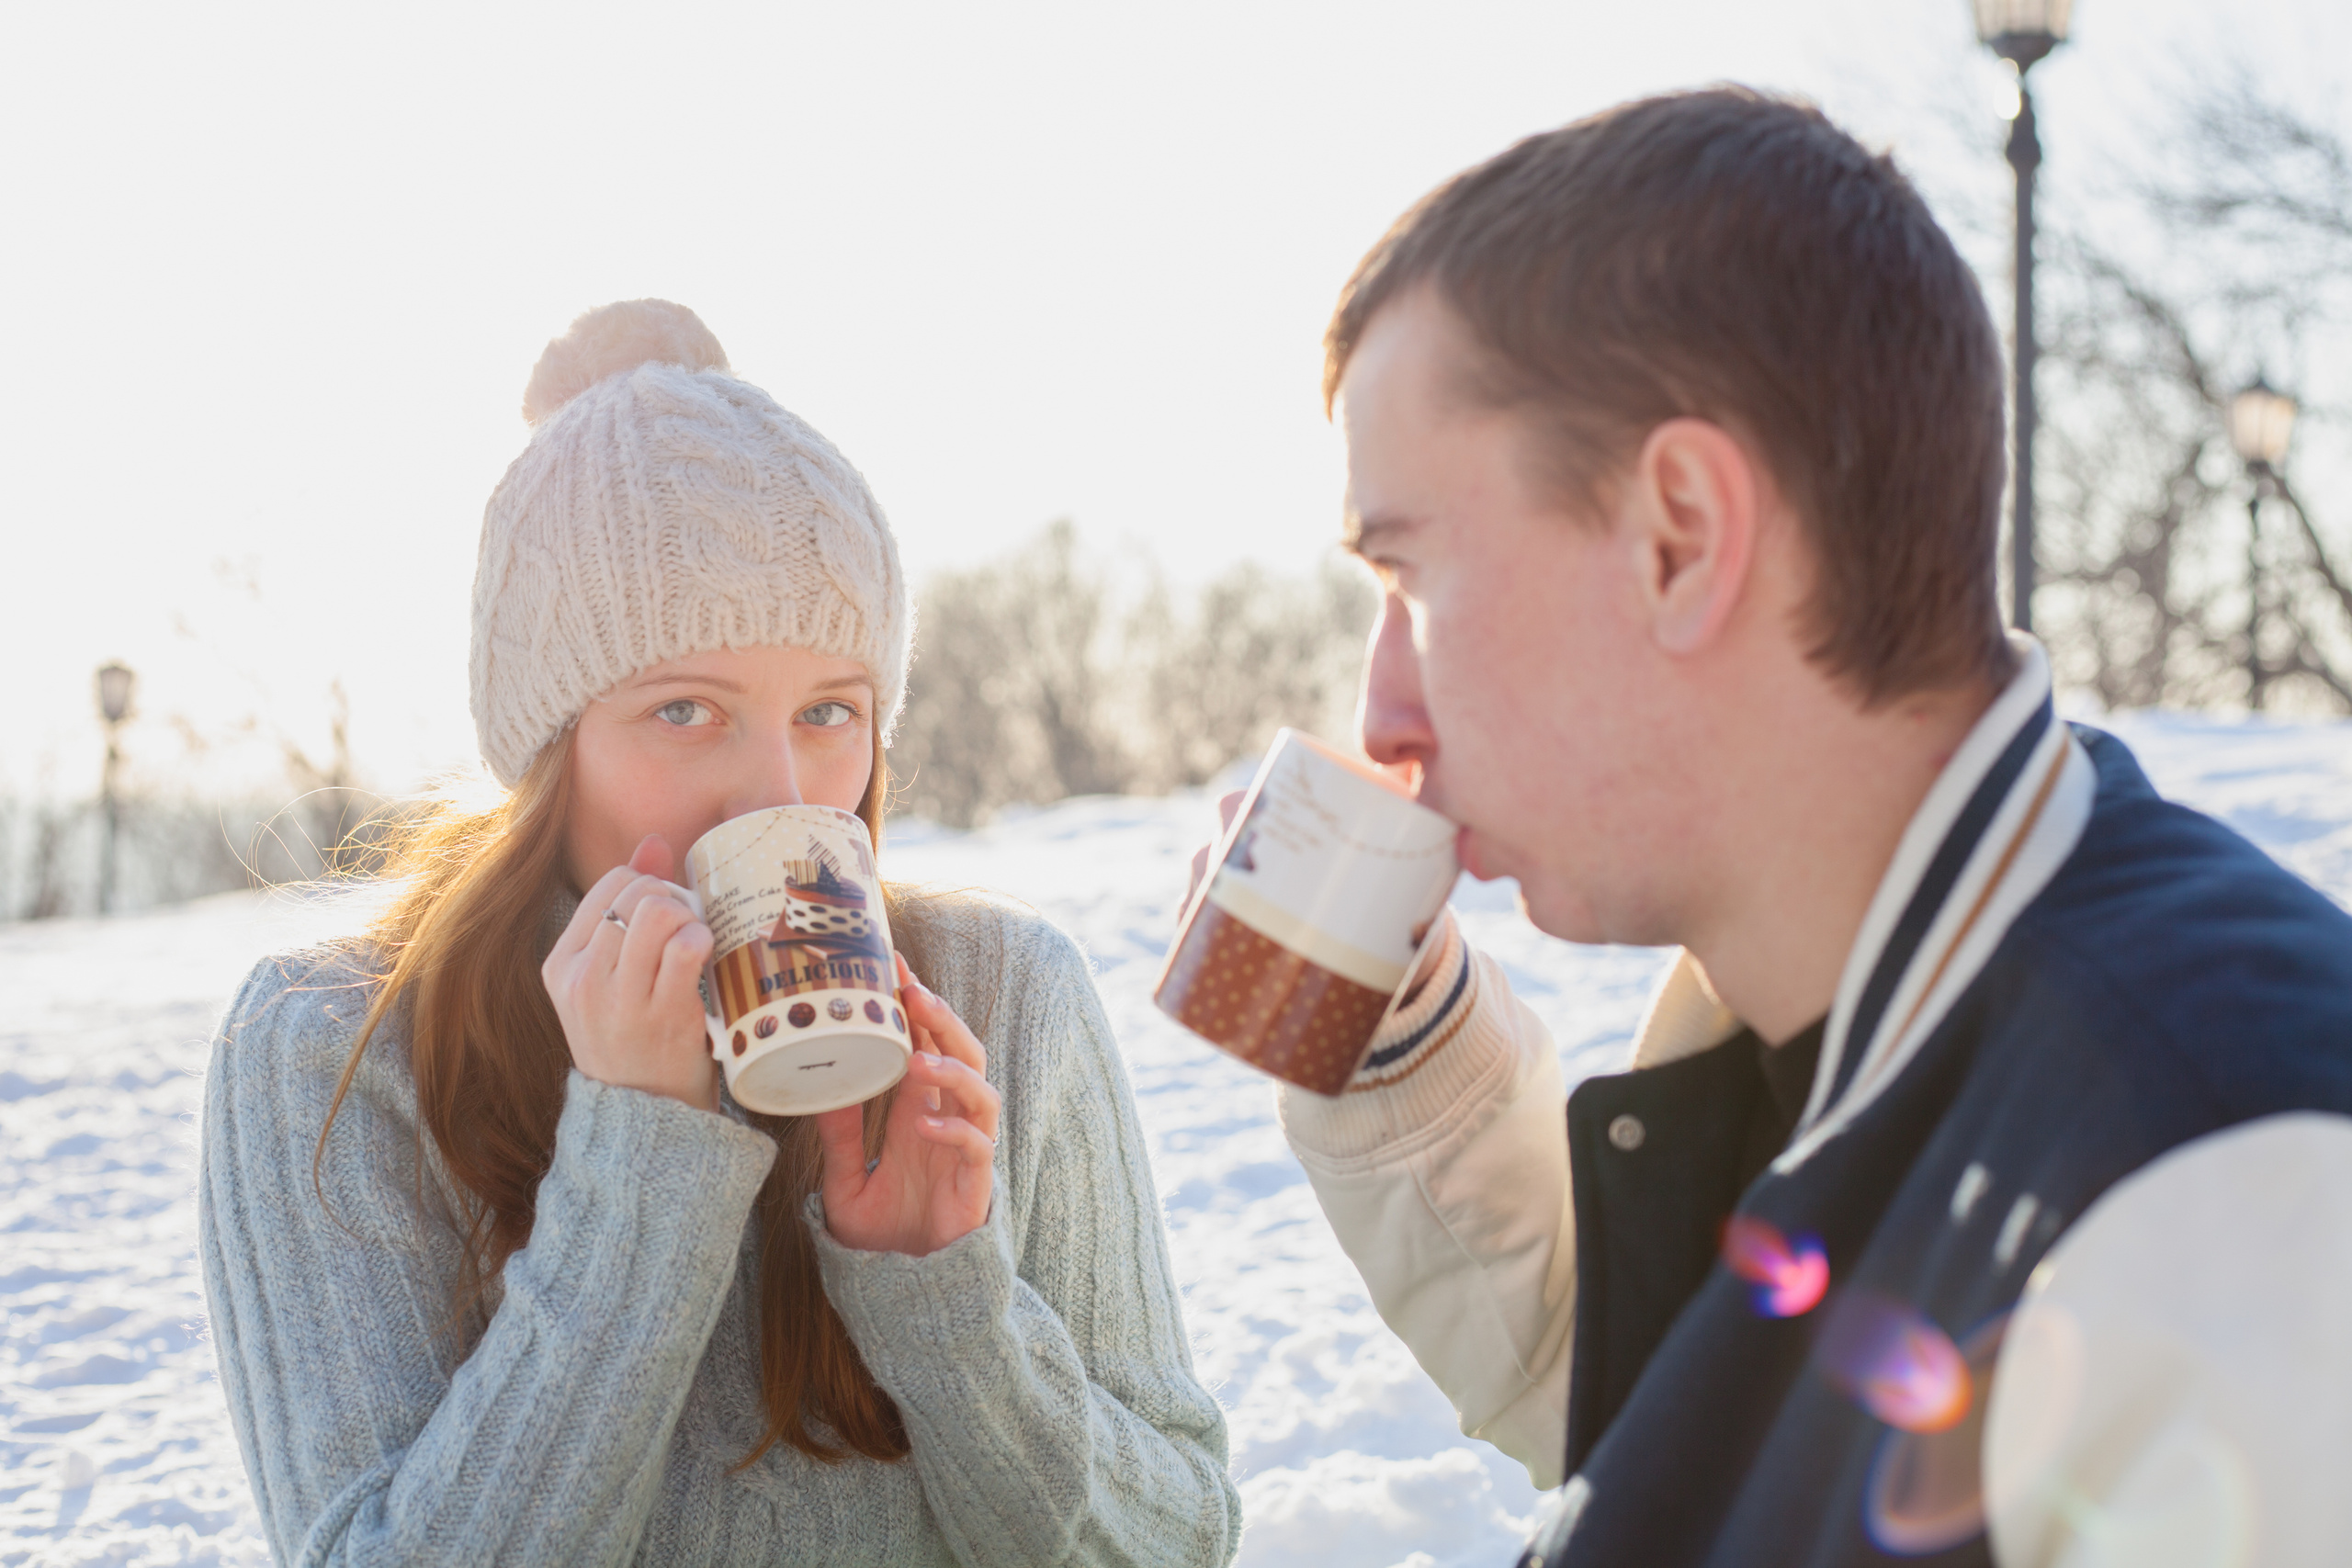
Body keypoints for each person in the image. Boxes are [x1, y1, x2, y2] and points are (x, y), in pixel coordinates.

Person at [1242, 90, 2352, 1564]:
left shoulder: (2240, 1212)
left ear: (1681, 538)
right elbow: (1706, 1436)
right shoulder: (1833, 1024)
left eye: (1411, 581)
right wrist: (1397, 1033)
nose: (1382, 713)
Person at [199, 300, 1241, 1567]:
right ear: (548, 748)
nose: (778, 795)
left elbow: (1178, 1542)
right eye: (686, 710)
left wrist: (951, 1310)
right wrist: (639, 1168)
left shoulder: (1005, 994)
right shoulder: (333, 1044)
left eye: (829, 711)